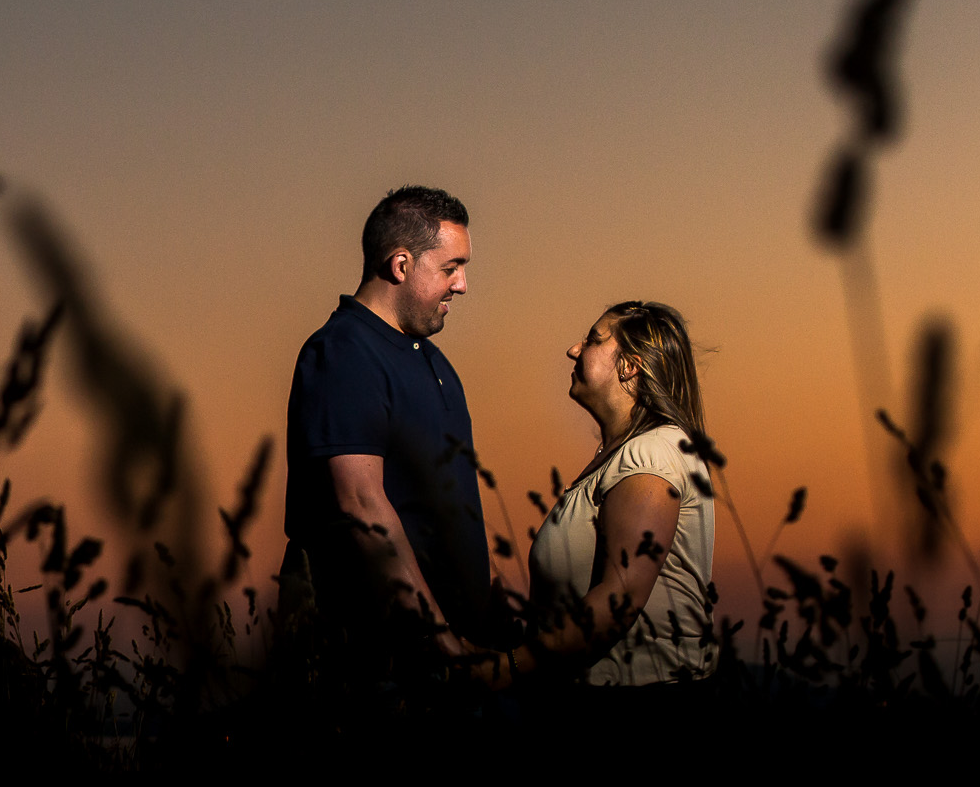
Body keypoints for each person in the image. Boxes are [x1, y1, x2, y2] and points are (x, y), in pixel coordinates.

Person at [282, 185, 498, 666]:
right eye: (450, 268)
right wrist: (441, 641)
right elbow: (360, 503)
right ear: (400, 265)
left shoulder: (433, 360)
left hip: (458, 653)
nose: (462, 286)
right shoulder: (344, 352)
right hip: (382, 658)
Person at [477, 301, 716, 691]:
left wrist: (505, 670)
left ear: (629, 366)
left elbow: (618, 599)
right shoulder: (619, 457)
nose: (574, 349)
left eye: (592, 339)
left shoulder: (653, 454)